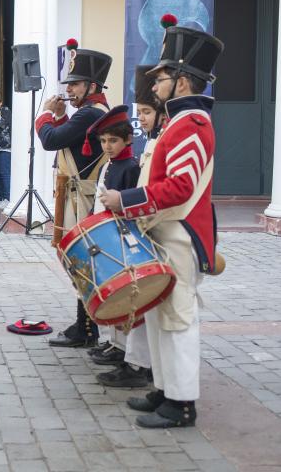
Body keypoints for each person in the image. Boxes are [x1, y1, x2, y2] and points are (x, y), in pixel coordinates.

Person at [100, 21, 223, 428]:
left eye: (163, 77)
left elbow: (181, 187)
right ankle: (165, 388)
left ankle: (182, 402)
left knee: (178, 318)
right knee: (158, 314)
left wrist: (126, 200)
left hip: (179, 235)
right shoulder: (176, 123)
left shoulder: (192, 125)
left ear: (183, 81)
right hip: (162, 232)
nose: (156, 85)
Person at [36, 40, 111, 349]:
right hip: (77, 194)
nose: (70, 90)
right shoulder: (87, 113)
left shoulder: (89, 114)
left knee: (82, 261)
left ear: (91, 85)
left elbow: (50, 139)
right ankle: (85, 325)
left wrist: (46, 114)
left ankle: (88, 329)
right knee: (79, 262)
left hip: (85, 197)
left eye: (76, 84)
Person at [94, 66, 162, 390]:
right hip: (131, 231)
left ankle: (139, 365)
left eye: (148, 111)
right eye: (142, 111)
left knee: (141, 303)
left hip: (148, 233)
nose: (143, 117)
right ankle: (131, 357)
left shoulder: (147, 151)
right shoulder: (152, 142)